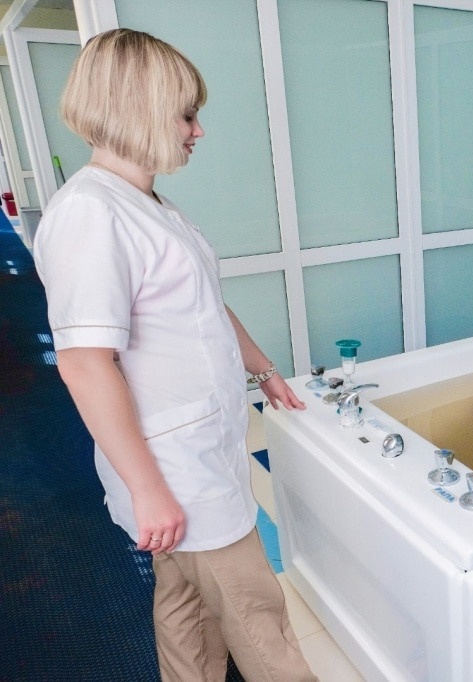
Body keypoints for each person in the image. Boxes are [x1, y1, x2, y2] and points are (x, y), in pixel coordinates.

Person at [33, 29, 317, 681]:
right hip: (174, 467)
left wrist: (264, 370)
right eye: (187, 115)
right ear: (140, 110)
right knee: (259, 616)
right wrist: (150, 488)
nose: (199, 131)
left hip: (196, 451)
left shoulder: (146, 202)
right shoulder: (89, 213)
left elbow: (205, 305)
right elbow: (83, 363)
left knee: (186, 604)